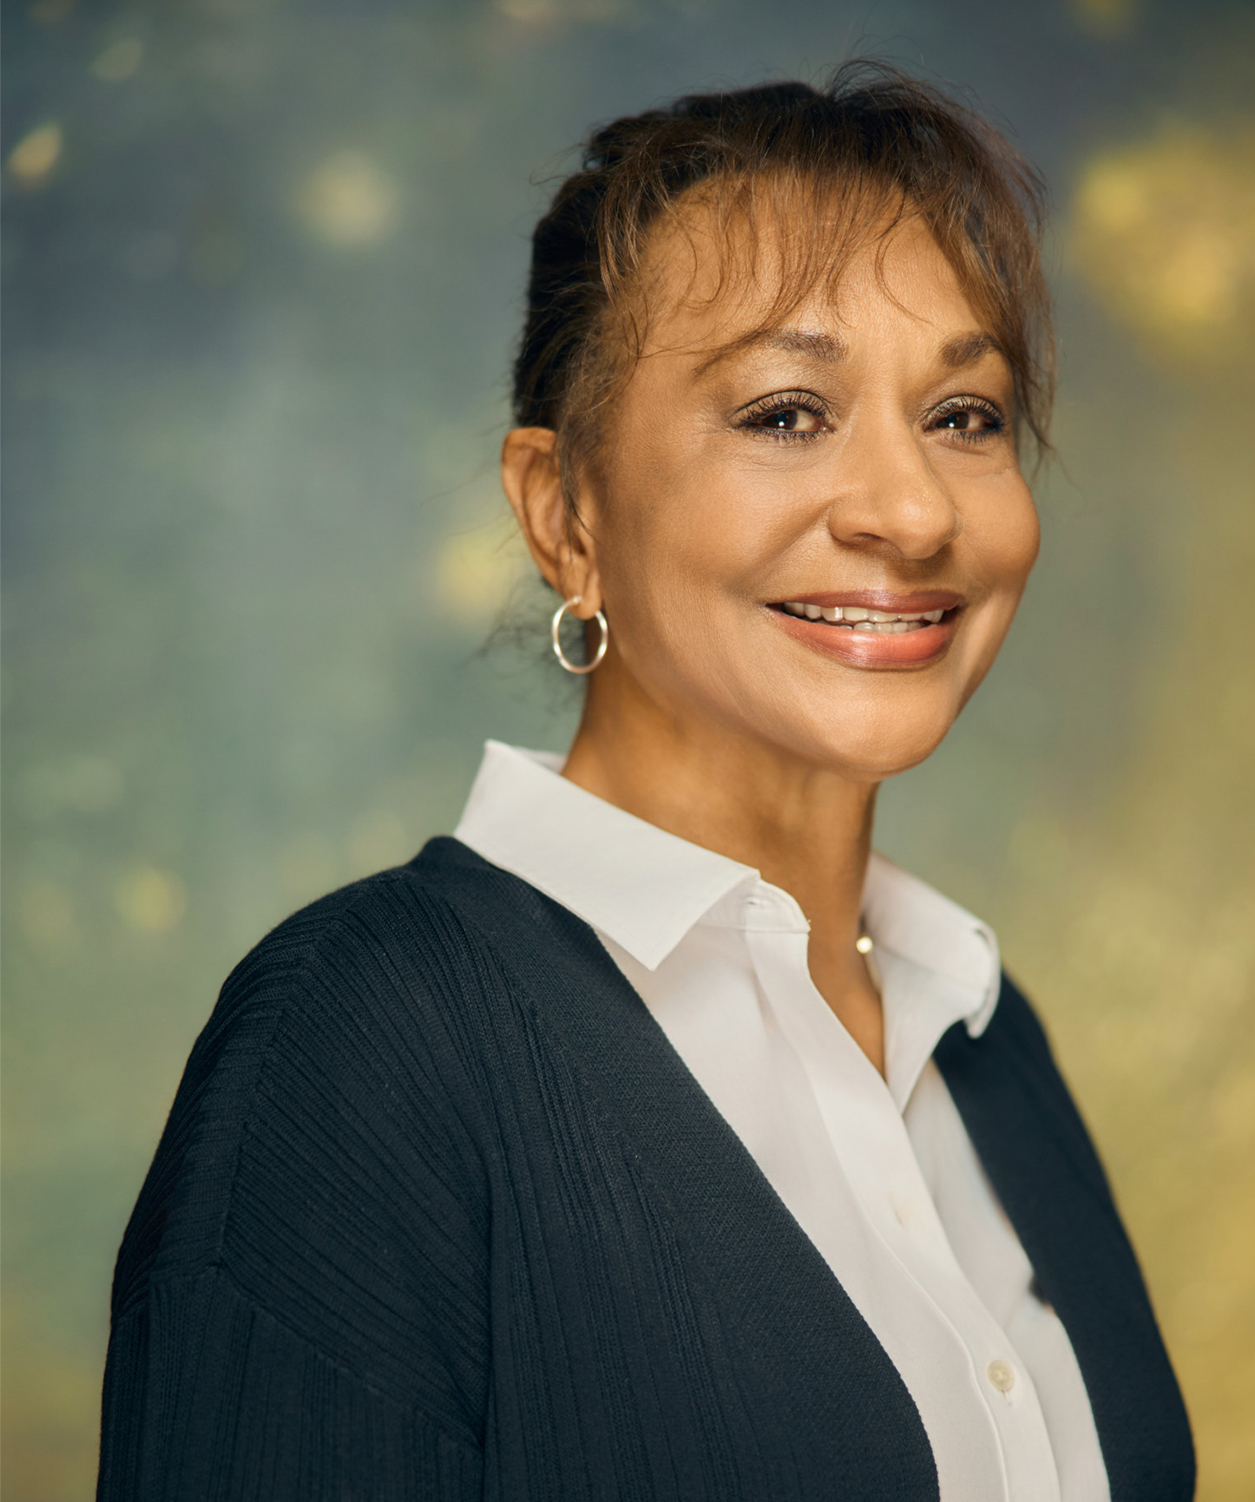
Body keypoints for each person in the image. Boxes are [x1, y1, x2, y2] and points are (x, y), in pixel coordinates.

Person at [98, 65, 1194, 1502]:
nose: (913, 510)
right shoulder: (360, 1048)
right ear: (565, 514)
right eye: (787, 411)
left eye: (966, 415)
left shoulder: (986, 1039)